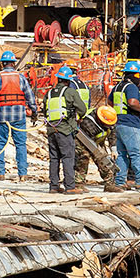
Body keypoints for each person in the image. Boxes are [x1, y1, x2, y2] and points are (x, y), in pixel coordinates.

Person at [0, 50, 37, 181]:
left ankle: (0, 173)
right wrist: (34, 112)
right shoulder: (21, 78)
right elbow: (30, 96)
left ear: (3, 64)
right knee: (20, 144)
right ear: (13, 63)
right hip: (19, 116)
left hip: (1, 116)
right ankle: (22, 173)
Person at [111, 60, 140, 189]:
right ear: (136, 75)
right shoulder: (131, 87)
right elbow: (132, 102)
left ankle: (120, 182)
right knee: (136, 153)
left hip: (118, 123)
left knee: (121, 154)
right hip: (130, 124)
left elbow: (110, 102)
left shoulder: (118, 87)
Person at [45, 65, 88, 193]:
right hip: (65, 130)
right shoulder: (70, 92)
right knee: (68, 157)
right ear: (68, 80)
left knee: (54, 158)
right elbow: (83, 109)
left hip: (51, 129)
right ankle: (70, 186)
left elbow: (44, 109)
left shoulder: (49, 93)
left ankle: (53, 186)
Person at [75, 104, 122, 192]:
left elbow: (112, 133)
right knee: (83, 159)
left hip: (97, 140)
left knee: (105, 161)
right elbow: (91, 145)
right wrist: (99, 154)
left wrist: (113, 149)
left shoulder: (110, 119)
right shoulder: (89, 123)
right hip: (83, 140)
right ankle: (78, 183)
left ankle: (109, 184)